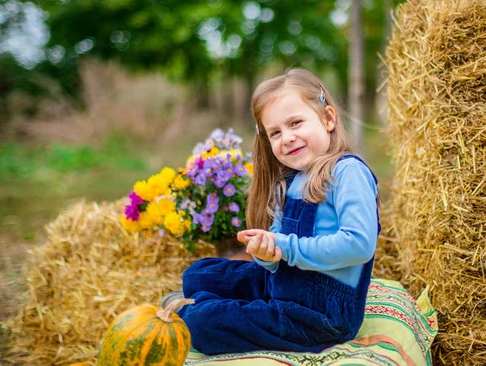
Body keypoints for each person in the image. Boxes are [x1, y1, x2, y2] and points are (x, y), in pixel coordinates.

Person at [162, 68, 380, 355]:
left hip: (321, 314)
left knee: (202, 324)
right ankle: (211, 303)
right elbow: (278, 248)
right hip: (284, 287)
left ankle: (199, 313)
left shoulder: (347, 171)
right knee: (199, 274)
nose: (287, 137)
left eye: (295, 123)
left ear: (328, 118)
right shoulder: (290, 180)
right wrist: (267, 255)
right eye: (275, 132)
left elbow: (359, 245)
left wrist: (285, 247)